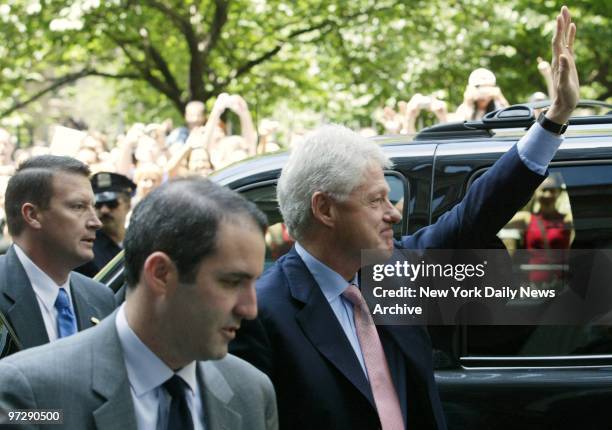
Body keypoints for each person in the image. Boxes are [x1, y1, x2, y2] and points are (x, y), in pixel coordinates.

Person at [230, 6, 578, 429]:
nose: (393, 214)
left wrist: (555, 118)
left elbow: (475, 215)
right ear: (325, 209)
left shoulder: (395, 271)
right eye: (376, 201)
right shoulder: (264, 315)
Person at [0, 178, 278, 430]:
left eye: (253, 282)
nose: (250, 308)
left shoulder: (251, 393)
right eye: (231, 282)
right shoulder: (32, 396)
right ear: (160, 273)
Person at [0, 155, 115, 352]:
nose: (96, 222)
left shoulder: (100, 298)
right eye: (78, 207)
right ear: (33, 215)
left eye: (92, 207)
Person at [76, 172, 136, 277]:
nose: (104, 210)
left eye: (111, 204)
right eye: (98, 205)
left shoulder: (137, 241)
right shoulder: (85, 248)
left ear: (128, 205)